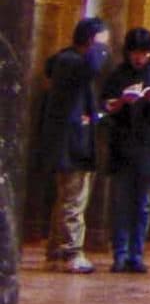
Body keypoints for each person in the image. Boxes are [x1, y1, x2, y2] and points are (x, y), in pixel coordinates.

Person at [99, 27, 150, 273]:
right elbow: (105, 106)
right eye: (136, 52)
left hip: (148, 148)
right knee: (121, 203)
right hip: (123, 147)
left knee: (143, 204)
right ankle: (120, 254)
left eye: (145, 53)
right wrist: (122, 103)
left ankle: (136, 254)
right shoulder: (117, 76)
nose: (140, 58)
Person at [33, 17, 108, 274]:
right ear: (89, 39)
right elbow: (92, 68)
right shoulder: (71, 63)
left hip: (70, 141)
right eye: (100, 41)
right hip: (71, 144)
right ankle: (70, 252)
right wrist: (99, 47)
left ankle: (56, 251)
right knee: (73, 201)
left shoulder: (66, 63)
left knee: (66, 199)